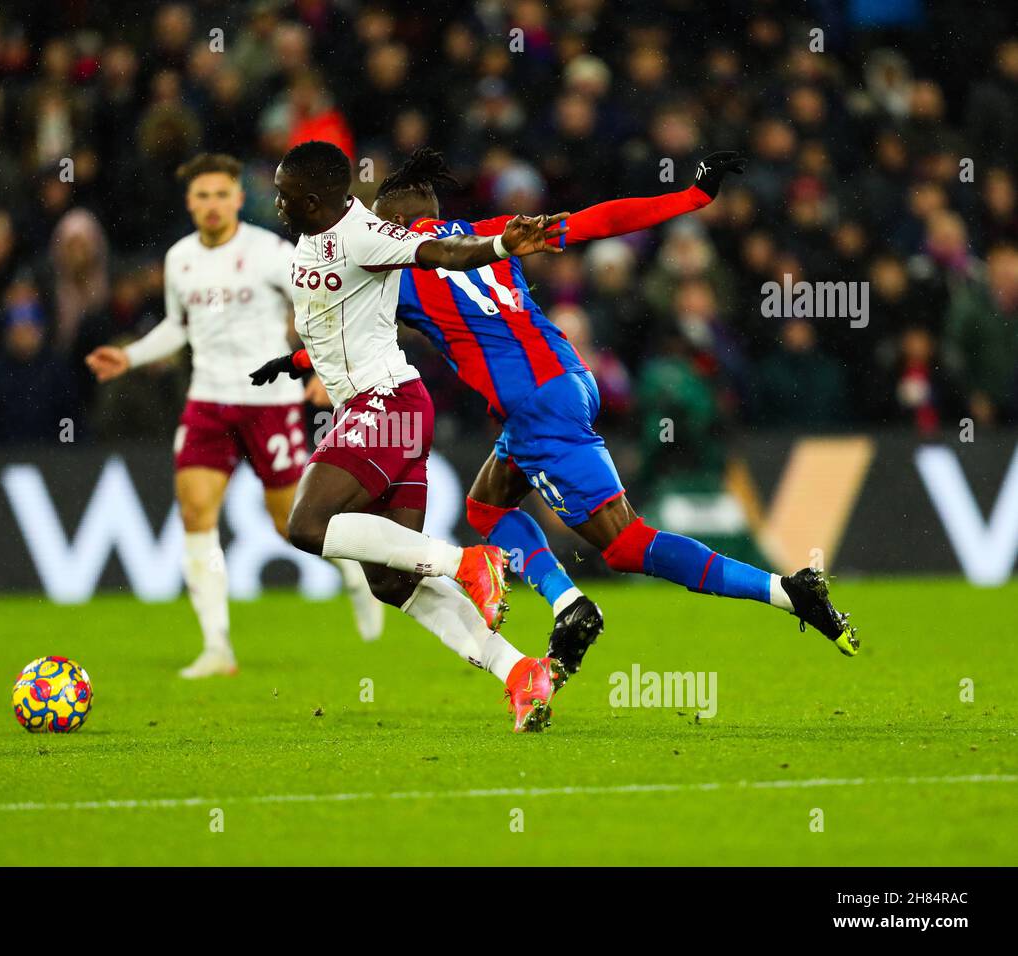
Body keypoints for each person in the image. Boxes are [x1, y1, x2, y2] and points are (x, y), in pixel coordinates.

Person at [369, 147, 857, 682]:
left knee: (626, 544)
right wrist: (691, 197)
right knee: (487, 507)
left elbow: (353, 333)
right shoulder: (493, 232)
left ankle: (787, 592)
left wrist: (303, 359)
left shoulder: (397, 269)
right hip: (570, 379)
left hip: (536, 405)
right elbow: (595, 221)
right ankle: (567, 605)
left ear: (394, 224)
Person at [251, 140, 569, 732]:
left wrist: (501, 244)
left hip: (388, 404)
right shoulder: (315, 237)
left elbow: (441, 252)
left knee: (306, 526)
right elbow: (339, 320)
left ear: (314, 199)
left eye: (284, 195)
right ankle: (520, 672)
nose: (276, 202)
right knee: (391, 579)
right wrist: (295, 362)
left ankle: (469, 562)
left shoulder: (363, 234)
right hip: (380, 408)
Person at [85, 153, 381, 679]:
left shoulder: (271, 252)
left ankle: (356, 572)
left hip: (268, 404)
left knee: (291, 524)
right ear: (189, 203)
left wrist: (320, 368)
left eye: (222, 194)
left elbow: (320, 310)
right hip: (207, 403)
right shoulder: (180, 259)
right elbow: (179, 326)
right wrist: (129, 356)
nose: (213, 205)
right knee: (196, 514)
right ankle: (217, 647)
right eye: (202, 196)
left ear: (239, 198)